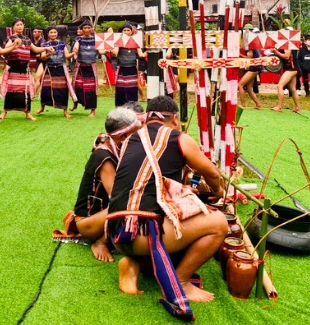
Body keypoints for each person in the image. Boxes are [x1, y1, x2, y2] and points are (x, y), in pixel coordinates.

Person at [106, 96, 226, 317]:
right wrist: (219, 193)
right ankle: (182, 281)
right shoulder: (178, 138)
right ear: (174, 119)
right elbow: (212, 174)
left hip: (116, 235)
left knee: (173, 225)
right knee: (219, 223)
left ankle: (133, 264)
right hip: (143, 234)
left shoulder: (131, 138)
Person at [54, 107, 141, 262]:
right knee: (130, 204)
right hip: (88, 224)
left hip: (100, 217)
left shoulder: (112, 146)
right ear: (123, 136)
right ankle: (101, 241)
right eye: (137, 133)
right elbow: (117, 200)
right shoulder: (104, 156)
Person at [0, 18, 45, 121]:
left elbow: (36, 49)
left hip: (24, 68)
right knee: (11, 91)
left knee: (26, 91)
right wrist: (14, 44)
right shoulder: (11, 38)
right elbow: (5, 48)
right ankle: (4, 112)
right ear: (13, 27)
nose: (20, 26)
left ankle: (27, 113)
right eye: (17, 25)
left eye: (21, 25)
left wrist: (46, 48)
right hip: (13, 67)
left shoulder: (27, 39)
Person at [66, 19, 103, 117]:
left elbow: (101, 51)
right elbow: (76, 48)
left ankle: (92, 111)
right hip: (80, 67)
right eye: (85, 28)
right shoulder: (78, 39)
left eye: (88, 28)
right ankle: (75, 104)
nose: (86, 29)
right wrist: (75, 50)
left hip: (91, 66)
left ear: (91, 29)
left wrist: (107, 50)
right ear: (81, 29)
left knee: (91, 89)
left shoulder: (96, 39)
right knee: (76, 87)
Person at [37, 26, 75, 118]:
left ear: (57, 34)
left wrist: (74, 53)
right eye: (51, 32)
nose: (53, 34)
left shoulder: (62, 44)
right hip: (49, 69)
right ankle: (42, 107)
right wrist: (48, 54)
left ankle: (65, 111)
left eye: (55, 32)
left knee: (62, 90)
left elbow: (66, 56)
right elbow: (42, 58)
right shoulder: (45, 45)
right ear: (48, 34)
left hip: (60, 68)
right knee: (45, 90)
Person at [112, 23, 146, 106]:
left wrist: (149, 51)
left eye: (128, 30)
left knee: (132, 89)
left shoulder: (135, 42)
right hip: (121, 68)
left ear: (132, 32)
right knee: (120, 89)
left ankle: (133, 107)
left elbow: (141, 55)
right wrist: (111, 51)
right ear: (122, 31)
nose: (126, 32)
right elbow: (115, 53)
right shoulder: (118, 41)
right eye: (124, 30)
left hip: (132, 68)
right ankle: (119, 108)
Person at [270, 43, 300, 113]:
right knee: (292, 89)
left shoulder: (287, 44)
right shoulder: (286, 44)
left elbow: (287, 56)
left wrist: (276, 52)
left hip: (291, 69)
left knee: (280, 86)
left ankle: (279, 106)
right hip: (291, 68)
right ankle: (298, 108)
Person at [239, 42, 263, 110]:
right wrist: (241, 55)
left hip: (253, 69)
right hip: (254, 68)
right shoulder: (256, 48)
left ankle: (243, 104)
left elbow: (249, 57)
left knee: (240, 85)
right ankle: (258, 105)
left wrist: (241, 55)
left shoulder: (252, 48)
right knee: (249, 88)